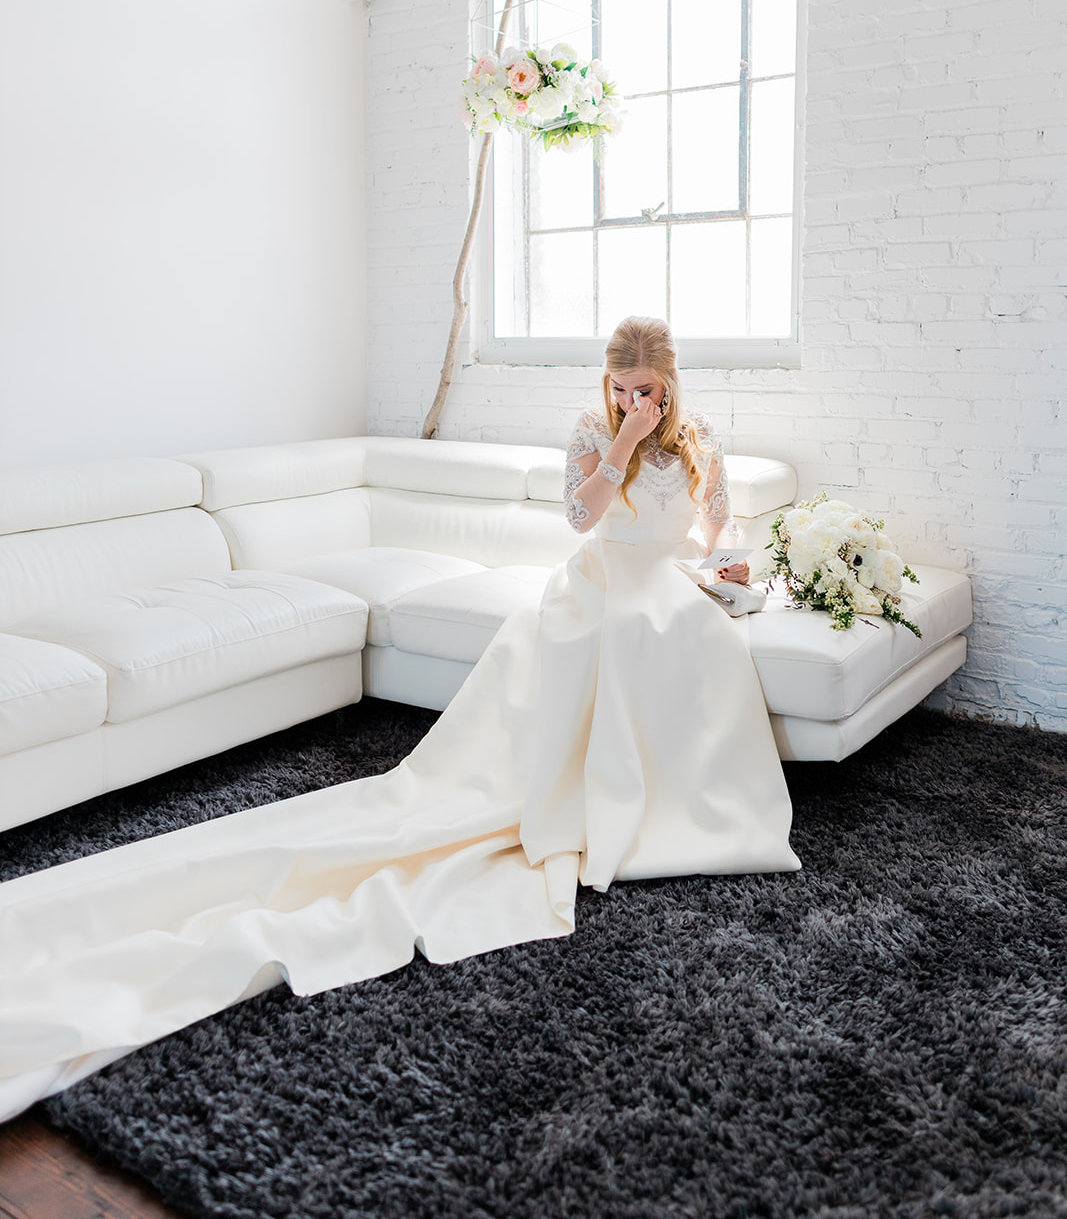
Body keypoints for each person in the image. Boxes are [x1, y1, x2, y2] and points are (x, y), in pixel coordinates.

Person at [0, 316, 799, 1121]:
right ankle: (579, 790)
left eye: (646, 391)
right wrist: (622, 445)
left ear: (669, 383)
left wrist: (724, 561)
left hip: (667, 578)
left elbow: (715, 527)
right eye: (621, 388)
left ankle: (677, 796)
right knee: (612, 632)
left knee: (687, 634)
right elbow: (580, 519)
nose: (633, 399)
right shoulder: (595, 430)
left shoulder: (696, 435)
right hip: (598, 579)